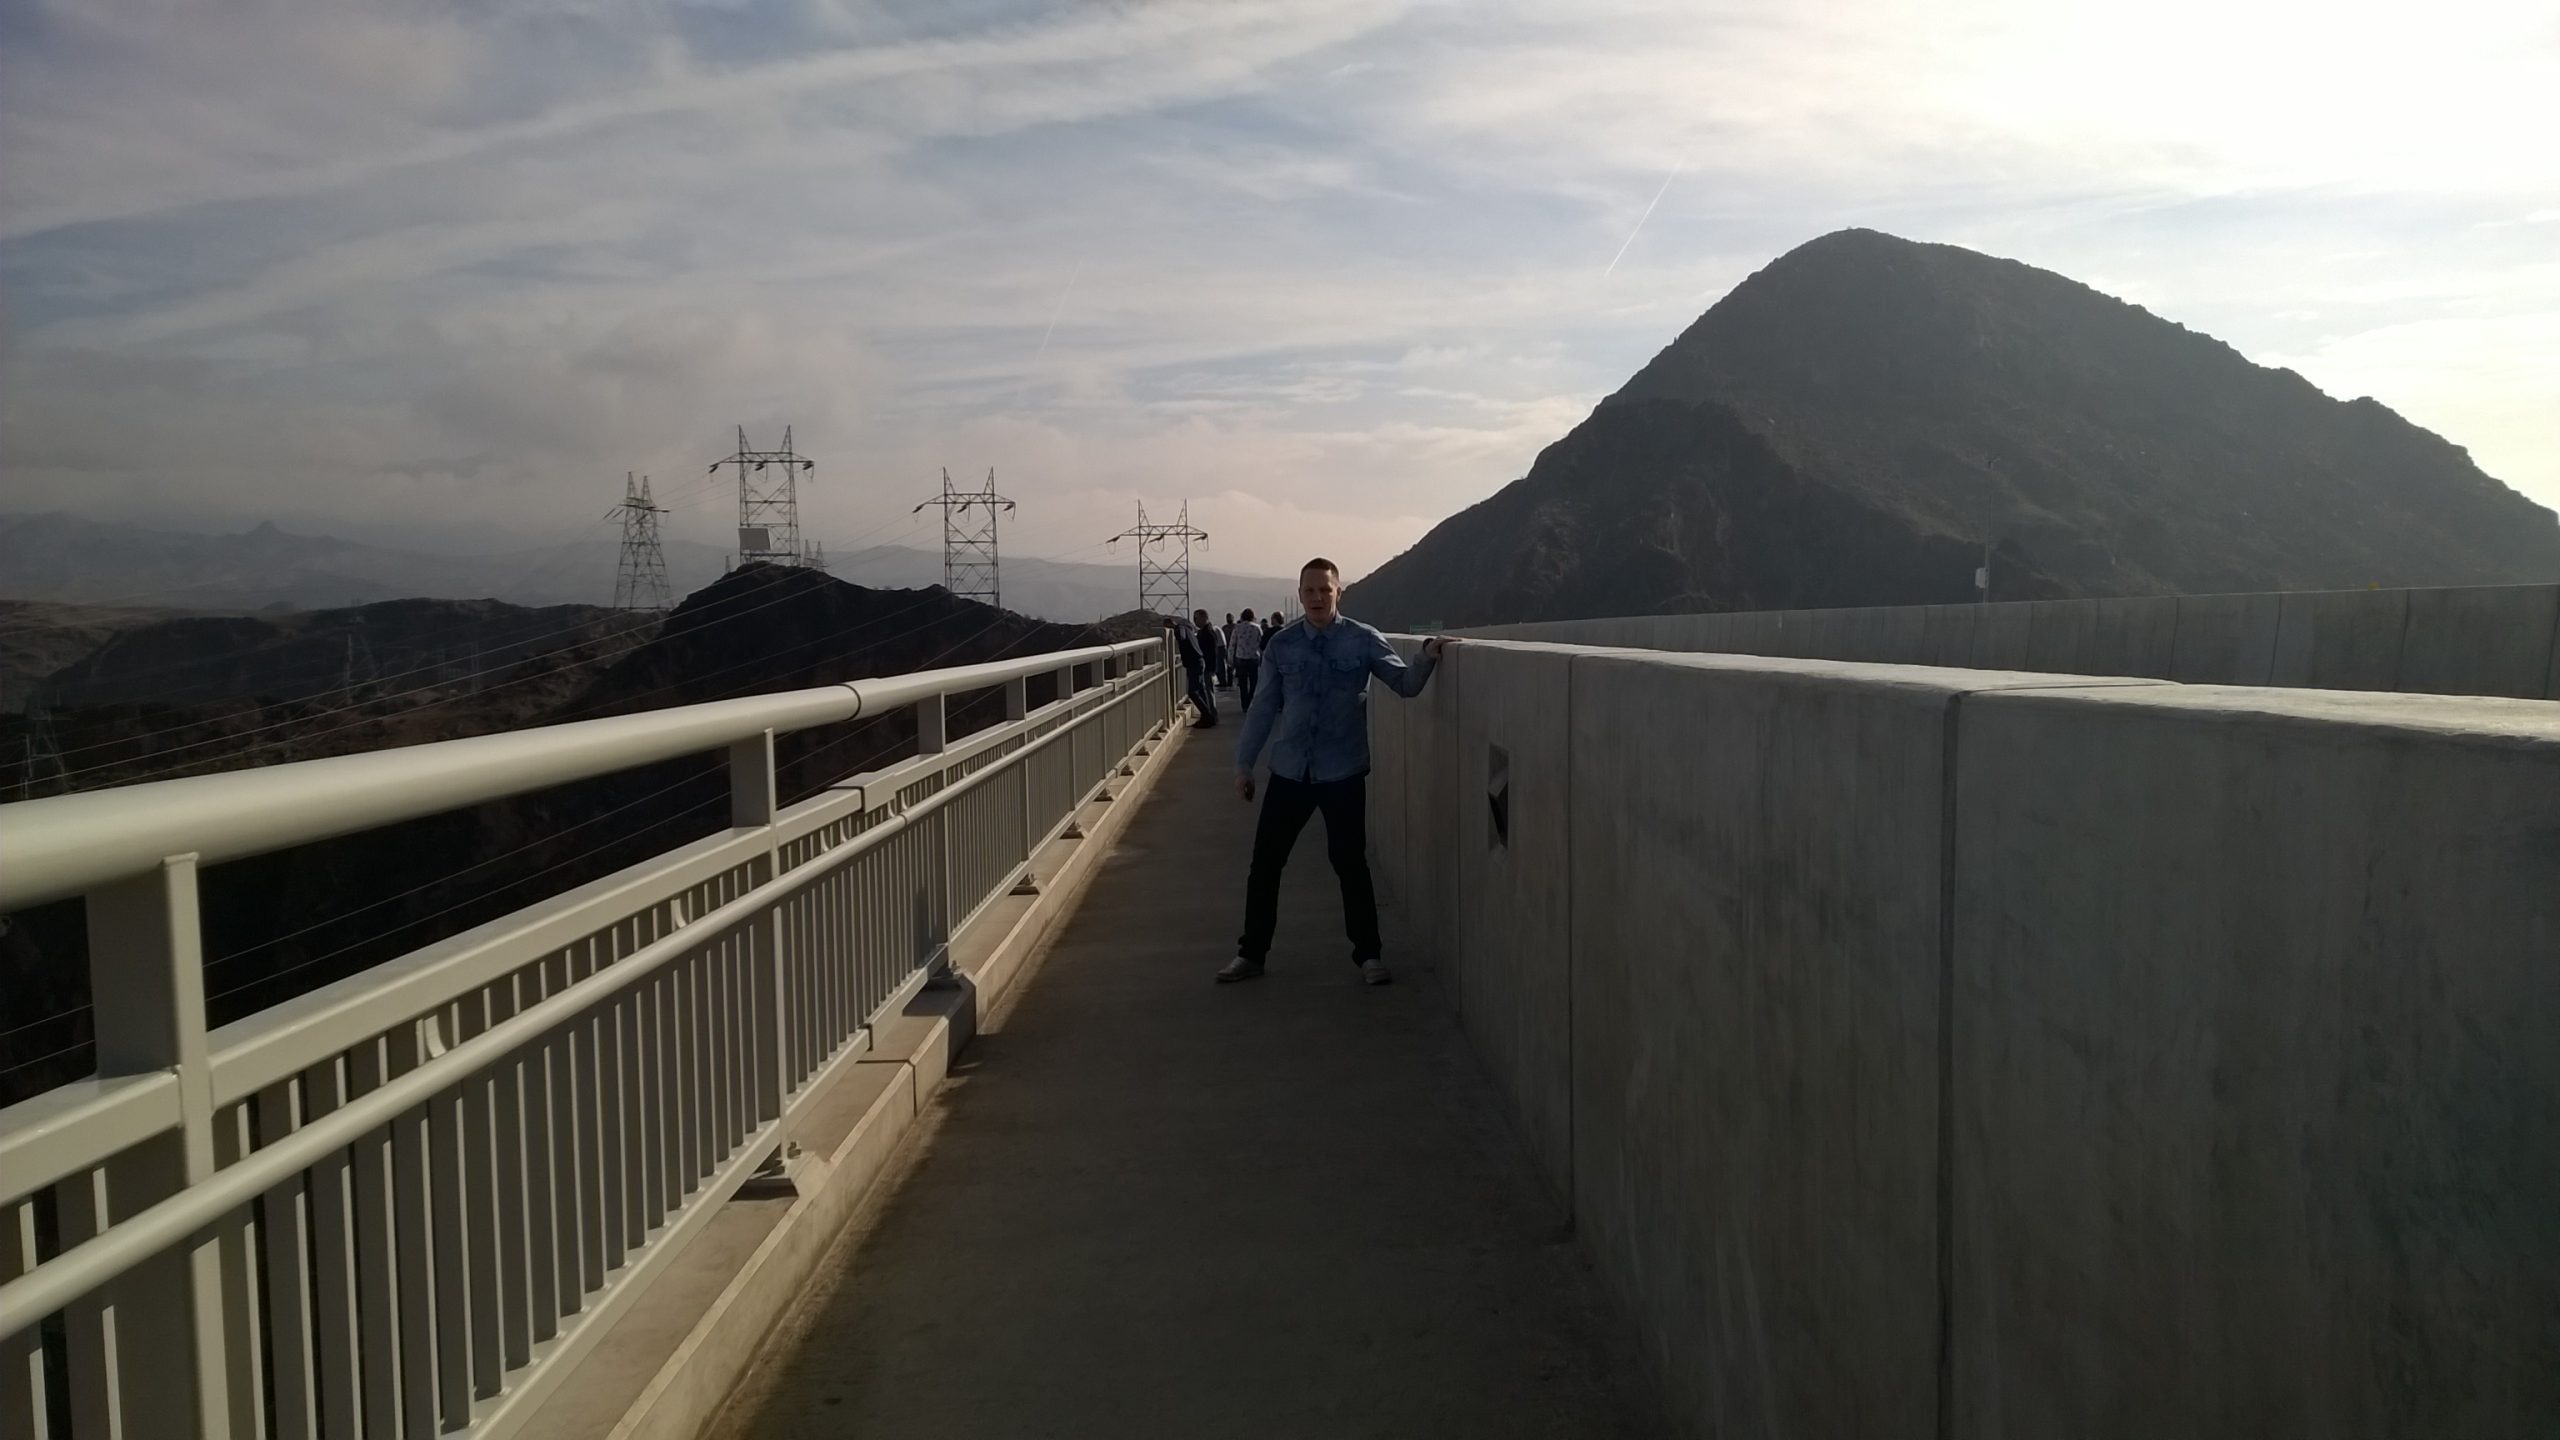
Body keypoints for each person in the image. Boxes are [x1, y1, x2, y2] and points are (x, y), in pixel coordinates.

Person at [1221, 558, 1452, 986]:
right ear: (1300, 594)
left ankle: (1369, 956)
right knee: (1266, 864)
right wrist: (1243, 765)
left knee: (1349, 864)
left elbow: (1405, 685)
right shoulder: (1282, 645)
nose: (1316, 598)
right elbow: (1263, 707)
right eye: (1309, 591)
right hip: (1290, 771)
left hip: (1342, 771)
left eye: (1325, 590)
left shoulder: (1363, 639)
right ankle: (1250, 954)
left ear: (1338, 592)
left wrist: (1426, 657)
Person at [1163, 612, 1218, 726]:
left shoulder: (1180, 628)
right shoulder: (1188, 628)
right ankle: (1207, 716)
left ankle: (1208, 716)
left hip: (1194, 663)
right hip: (1199, 661)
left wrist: (1177, 636)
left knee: (1193, 692)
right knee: (1201, 690)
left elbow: (1182, 637)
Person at [1230, 606, 1263, 709]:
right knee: (1254, 682)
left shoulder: (1237, 628)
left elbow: (1232, 644)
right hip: (1253, 657)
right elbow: (1261, 643)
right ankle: (1251, 701)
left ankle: (1244, 704)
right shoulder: (1257, 628)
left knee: (1242, 683)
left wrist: (1230, 658)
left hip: (1241, 658)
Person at [1194, 607, 1230, 692]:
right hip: (1210, 661)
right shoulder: (1207, 630)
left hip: (1208, 664)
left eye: (1196, 618)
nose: (1194, 621)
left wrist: (1212, 667)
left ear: (1203, 618)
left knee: (1208, 688)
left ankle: (1223, 681)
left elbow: (1211, 650)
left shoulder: (1208, 632)